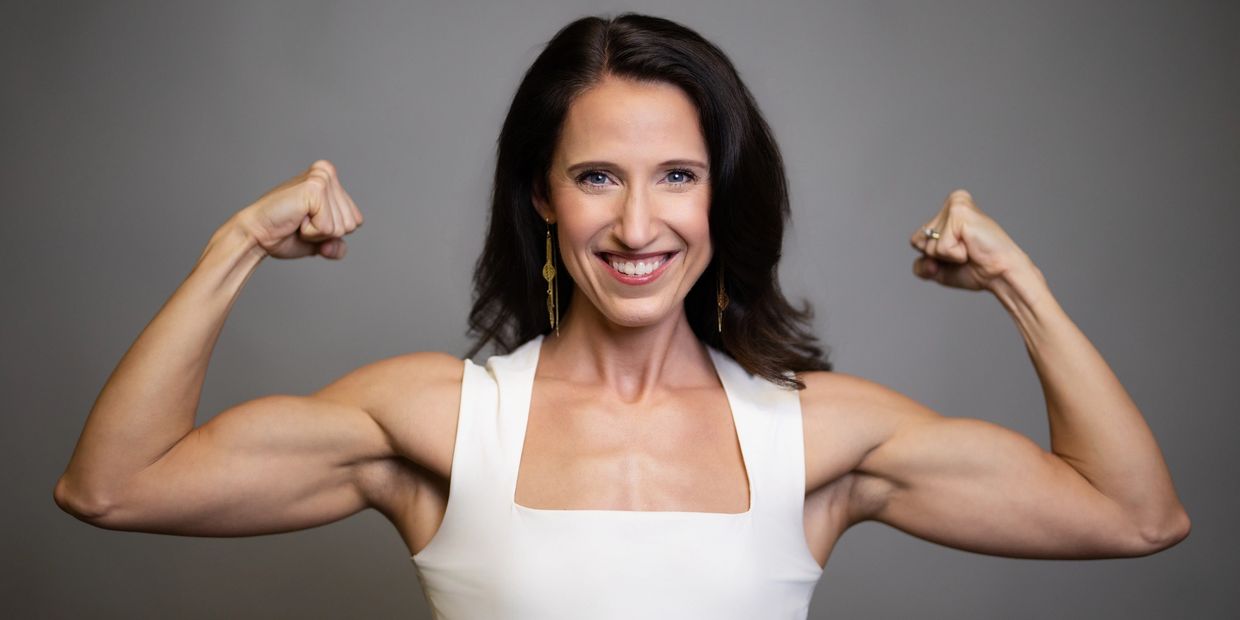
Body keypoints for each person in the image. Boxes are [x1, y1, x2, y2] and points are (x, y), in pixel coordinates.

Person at [53, 12, 1190, 620]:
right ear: (542, 198)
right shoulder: (438, 421)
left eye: (678, 177)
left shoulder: (820, 438)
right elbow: (112, 487)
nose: (638, 222)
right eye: (597, 176)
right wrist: (237, 243)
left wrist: (1017, 285)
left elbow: (1133, 515)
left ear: (720, 195)